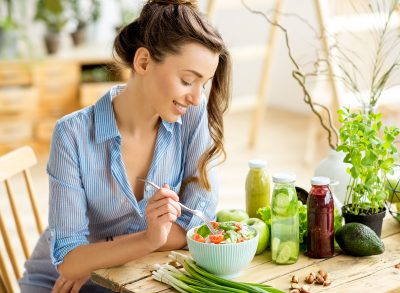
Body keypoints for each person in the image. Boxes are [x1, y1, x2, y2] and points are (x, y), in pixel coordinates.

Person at [19, 0, 231, 292]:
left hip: (132, 277)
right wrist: (149, 239)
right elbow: (69, 261)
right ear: (143, 62)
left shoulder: (193, 114)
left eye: (203, 84)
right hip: (61, 285)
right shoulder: (72, 134)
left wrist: (97, 256)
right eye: (186, 81)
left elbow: (199, 224)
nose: (196, 97)